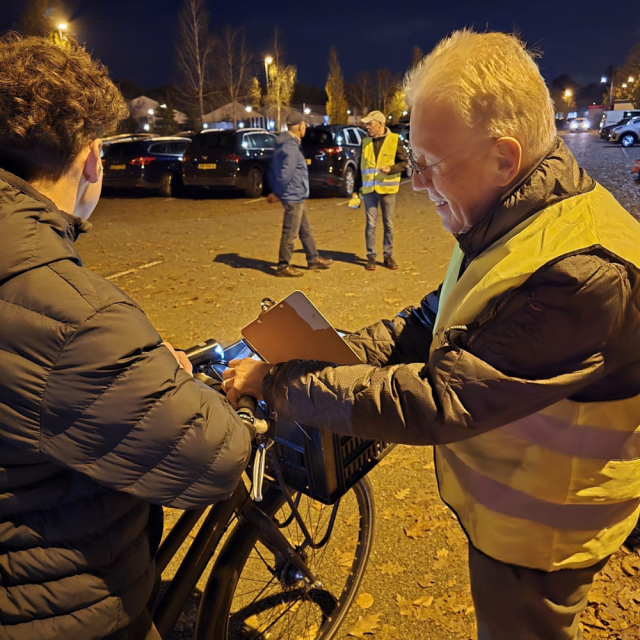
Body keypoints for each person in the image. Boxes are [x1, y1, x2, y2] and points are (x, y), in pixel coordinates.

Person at [224, 29, 640, 640]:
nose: (416, 182)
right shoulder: (512, 218)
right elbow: (426, 325)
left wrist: (284, 382)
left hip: (542, 536)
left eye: (429, 164)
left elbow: (440, 399)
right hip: (513, 508)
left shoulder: (583, 271)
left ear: (504, 157)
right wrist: (314, 351)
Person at [0, 34, 253, 640]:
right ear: (91, 160)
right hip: (54, 609)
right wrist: (169, 378)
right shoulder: (75, 317)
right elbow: (212, 455)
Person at [267, 112, 333, 277]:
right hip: (293, 194)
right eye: (305, 126)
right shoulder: (290, 146)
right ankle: (283, 265)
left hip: (297, 193)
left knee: (305, 230)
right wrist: (278, 192)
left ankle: (313, 259)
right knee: (290, 231)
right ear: (300, 126)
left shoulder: (289, 143)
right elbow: (286, 172)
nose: (306, 129)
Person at [349, 110, 408, 271]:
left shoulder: (394, 140)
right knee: (371, 224)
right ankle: (371, 256)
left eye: (370, 124)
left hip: (388, 189)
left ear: (380, 124)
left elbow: (404, 163)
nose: (366, 126)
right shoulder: (365, 141)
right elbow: (361, 167)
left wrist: (391, 169)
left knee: (388, 223)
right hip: (369, 190)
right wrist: (356, 190)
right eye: (366, 124)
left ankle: (388, 256)